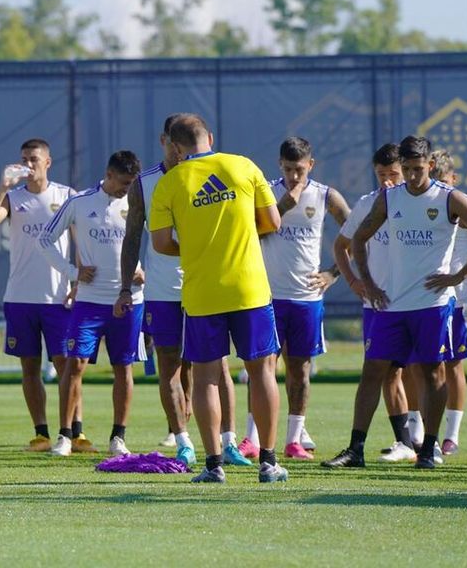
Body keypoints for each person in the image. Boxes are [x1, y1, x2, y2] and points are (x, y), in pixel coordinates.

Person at [322, 135, 467, 470]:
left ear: (430, 165)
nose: (413, 175)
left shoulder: (450, 197)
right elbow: (358, 239)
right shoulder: (389, 199)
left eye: (418, 168)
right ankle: (355, 450)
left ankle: (429, 449)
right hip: (391, 305)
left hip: (433, 305)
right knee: (372, 371)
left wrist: (458, 276)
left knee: (432, 373)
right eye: (407, 168)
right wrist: (368, 283)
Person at [148, 114, 288, 484]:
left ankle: (213, 466)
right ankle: (269, 462)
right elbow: (273, 221)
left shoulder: (170, 181)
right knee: (261, 371)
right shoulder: (243, 166)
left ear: (176, 148)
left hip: (202, 291)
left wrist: (198, 248)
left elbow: (161, 243)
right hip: (250, 289)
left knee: (207, 377)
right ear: (210, 136)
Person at [116, 114, 253, 468]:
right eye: (174, 142)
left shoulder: (218, 173)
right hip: (164, 291)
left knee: (219, 366)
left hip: (209, 284)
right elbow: (132, 237)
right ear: (166, 142)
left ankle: (228, 441)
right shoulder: (144, 184)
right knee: (169, 366)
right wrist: (125, 287)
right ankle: (183, 441)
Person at [0, 139, 87, 452]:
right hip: (21, 297)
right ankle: (41, 433)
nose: (29, 165)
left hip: (59, 299)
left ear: (48, 162)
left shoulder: (67, 197)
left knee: (69, 367)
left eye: (34, 159)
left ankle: (74, 432)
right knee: (29, 368)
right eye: (24, 159)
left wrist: (77, 282)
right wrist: (1, 186)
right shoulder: (13, 197)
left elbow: (81, 245)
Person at [40, 151, 144, 457]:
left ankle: (118, 437)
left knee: (123, 368)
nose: (127, 189)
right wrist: (73, 273)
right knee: (74, 366)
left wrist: (144, 271)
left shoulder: (138, 202)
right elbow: (45, 240)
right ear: (109, 175)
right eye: (124, 182)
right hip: (89, 301)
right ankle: (65, 436)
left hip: (129, 300)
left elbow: (160, 240)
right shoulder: (79, 202)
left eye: (132, 183)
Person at [261, 136, 349, 460]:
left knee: (299, 371)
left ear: (310, 165)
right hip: (267, 297)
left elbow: (356, 233)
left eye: (299, 170)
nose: (294, 177)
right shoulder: (267, 193)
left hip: (306, 299)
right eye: (288, 170)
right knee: (262, 367)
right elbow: (252, 229)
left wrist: (332, 273)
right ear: (279, 165)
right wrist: (285, 201)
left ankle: (294, 439)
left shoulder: (326, 195)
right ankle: (254, 439)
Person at [333, 144, 415, 462]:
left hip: (416, 303)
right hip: (378, 306)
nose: (387, 181)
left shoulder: (418, 204)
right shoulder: (367, 203)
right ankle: (390, 444)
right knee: (381, 373)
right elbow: (342, 246)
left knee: (424, 371)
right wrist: (355, 282)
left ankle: (431, 441)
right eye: (381, 175)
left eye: (393, 174)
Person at [428, 150, 467, 456]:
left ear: (453, 179)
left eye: (442, 180)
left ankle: (451, 435)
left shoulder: (461, 204)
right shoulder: (419, 201)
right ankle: (422, 435)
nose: (437, 187)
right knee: (424, 367)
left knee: (452, 366)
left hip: (455, 300)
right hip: (423, 299)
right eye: (432, 180)